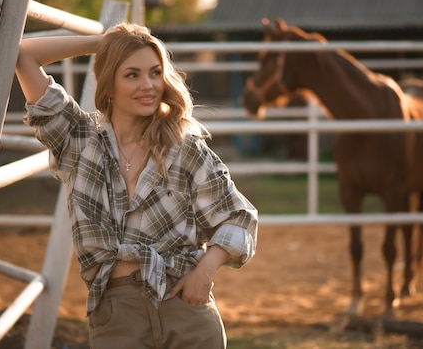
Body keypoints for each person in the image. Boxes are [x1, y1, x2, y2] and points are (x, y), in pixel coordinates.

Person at [15, 22, 258, 348]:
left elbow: (238, 217)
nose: (148, 85)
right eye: (132, 74)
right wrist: (106, 42)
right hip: (116, 317)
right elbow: (24, 55)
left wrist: (205, 272)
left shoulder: (184, 147)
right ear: (109, 82)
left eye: (155, 73)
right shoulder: (78, 139)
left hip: (185, 309)